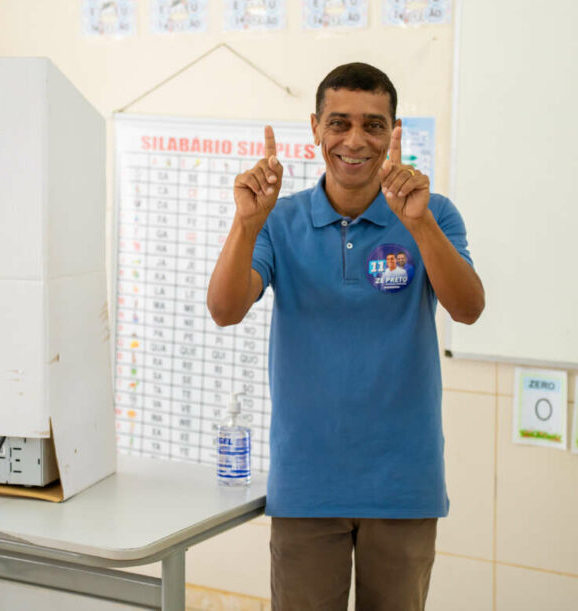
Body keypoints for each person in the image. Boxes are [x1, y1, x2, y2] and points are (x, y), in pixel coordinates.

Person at [207, 62, 484, 610]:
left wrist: (419, 223)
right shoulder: (278, 221)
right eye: (339, 123)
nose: (355, 140)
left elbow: (468, 307)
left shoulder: (435, 213)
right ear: (315, 129)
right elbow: (225, 308)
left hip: (403, 484)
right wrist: (246, 223)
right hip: (307, 486)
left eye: (373, 125)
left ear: (393, 132)